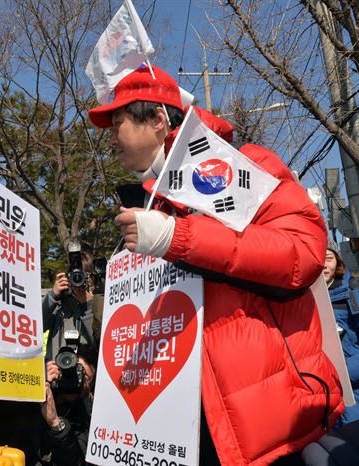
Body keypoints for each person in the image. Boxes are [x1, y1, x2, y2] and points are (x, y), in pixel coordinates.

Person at [87, 65, 344, 465]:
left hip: (268, 426)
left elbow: (303, 251)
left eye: (117, 122)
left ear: (157, 119)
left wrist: (182, 238)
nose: (110, 139)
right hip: (178, 431)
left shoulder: (238, 165)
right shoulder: (143, 203)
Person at [38, 344, 97, 466]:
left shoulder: (85, 418)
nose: (74, 377)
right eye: (74, 369)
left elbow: (77, 463)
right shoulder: (42, 385)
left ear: (89, 390)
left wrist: (56, 424)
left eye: (84, 376)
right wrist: (38, 381)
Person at [324, 239, 359, 426]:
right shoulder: (303, 299)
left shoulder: (353, 292)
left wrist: (343, 371)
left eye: (328, 258)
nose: (323, 264)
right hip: (324, 392)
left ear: (338, 261)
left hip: (353, 387)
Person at [43, 251, 97, 361]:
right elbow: (37, 326)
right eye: (74, 276)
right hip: (55, 372)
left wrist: (88, 304)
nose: (78, 280)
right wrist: (53, 295)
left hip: (87, 373)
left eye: (84, 276)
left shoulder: (99, 304)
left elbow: (99, 342)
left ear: (93, 278)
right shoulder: (59, 303)